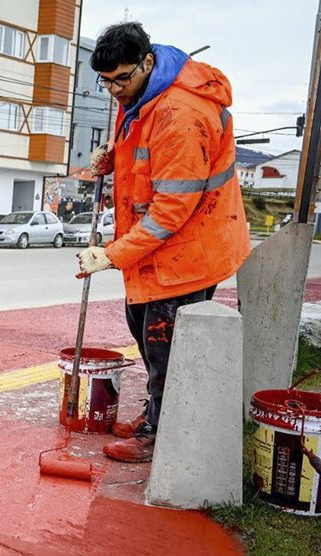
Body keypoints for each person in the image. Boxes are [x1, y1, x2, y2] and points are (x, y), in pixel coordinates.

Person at [79, 22, 250, 462]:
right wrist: (112, 159)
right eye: (106, 80)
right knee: (144, 332)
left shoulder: (181, 114)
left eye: (122, 78)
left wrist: (111, 255)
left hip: (187, 251)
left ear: (148, 61)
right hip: (155, 251)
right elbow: (143, 155)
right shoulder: (141, 95)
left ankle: (162, 433)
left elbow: (172, 210)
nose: (115, 89)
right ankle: (157, 411)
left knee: (166, 348)